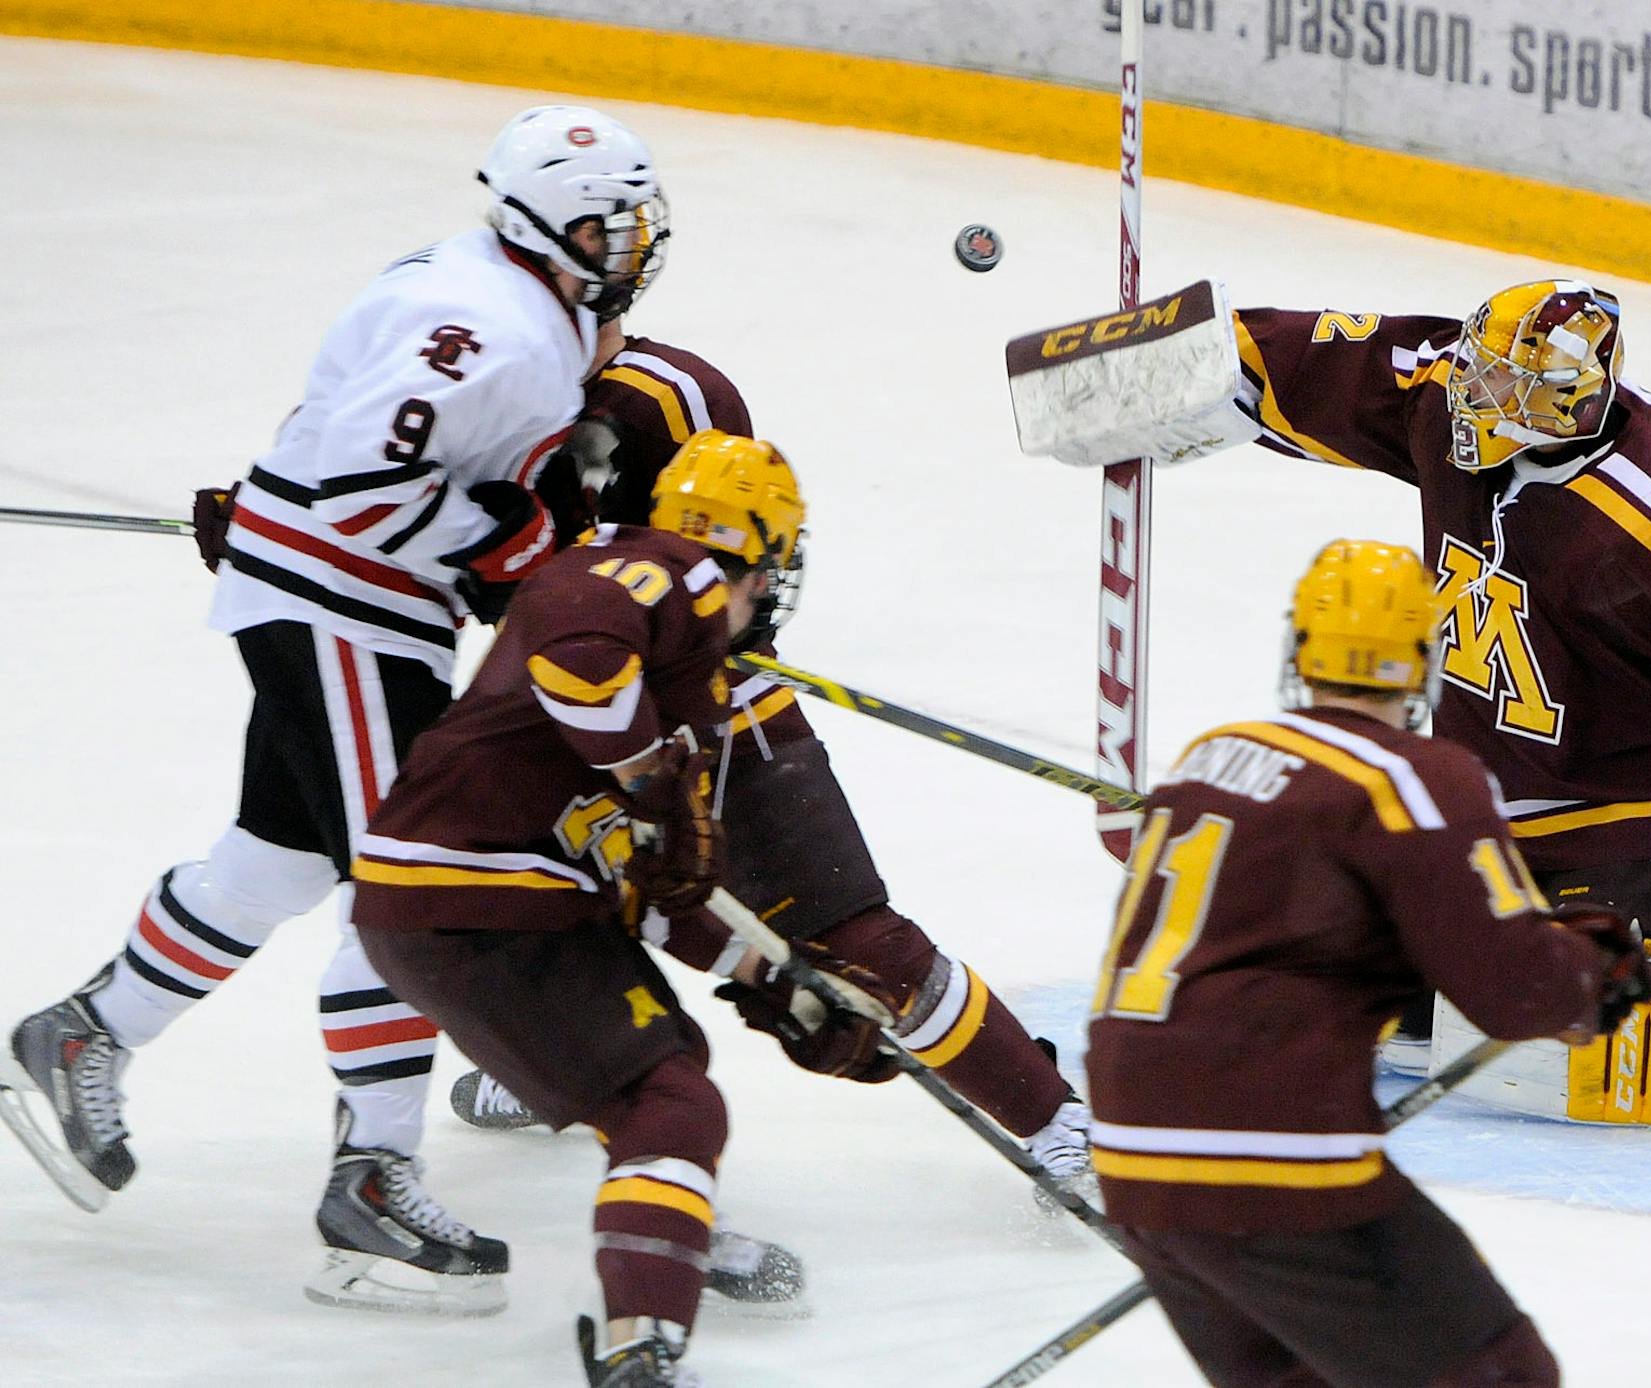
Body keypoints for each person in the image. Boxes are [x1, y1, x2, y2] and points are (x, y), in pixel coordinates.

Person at [0, 103, 669, 1314]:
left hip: (336, 599)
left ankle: (87, 1032)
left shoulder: (508, 294)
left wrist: (289, 503)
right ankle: (373, 1175)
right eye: (600, 219)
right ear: (537, 220)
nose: (625, 239)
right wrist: (500, 540)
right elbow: (366, 484)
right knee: (407, 880)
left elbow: (346, 444)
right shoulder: (494, 325)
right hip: (348, 612)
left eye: (631, 218)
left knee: (282, 851)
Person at [1007, 278, 1651, 1080]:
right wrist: (1181, 372)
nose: (1480, 407)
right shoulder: (1454, 388)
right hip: (1490, 786)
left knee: (1568, 1025)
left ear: (1577, 404)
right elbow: (1320, 357)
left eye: (1513, 398)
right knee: (1353, 974)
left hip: (1646, 807)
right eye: (1480, 378)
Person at [453, 337, 1096, 1219]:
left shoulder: (662, 404)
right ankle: (571, 1063)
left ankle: (1059, 1122)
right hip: (593, 703)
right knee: (560, 896)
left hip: (717, 703)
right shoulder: (503, 387)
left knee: (859, 941)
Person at [350, 432, 890, 1386]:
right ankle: (641, 1341)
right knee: (671, 1103)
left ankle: (661, 1238)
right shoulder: (659, 578)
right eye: (766, 571)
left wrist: (783, 981)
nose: (767, 594)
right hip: (480, 894)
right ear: (749, 552)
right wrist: (643, 771)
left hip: (460, 905)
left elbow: (663, 890)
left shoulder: (687, 678)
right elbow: (578, 652)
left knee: (667, 1068)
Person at [1084, 538, 1648, 1388]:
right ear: (1423, 661)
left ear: (1299, 650)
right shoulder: (1412, 779)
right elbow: (1514, 989)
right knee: (1497, 1374)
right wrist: (1587, 975)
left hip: (1130, 1155)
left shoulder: (1209, 757)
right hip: (1272, 1159)